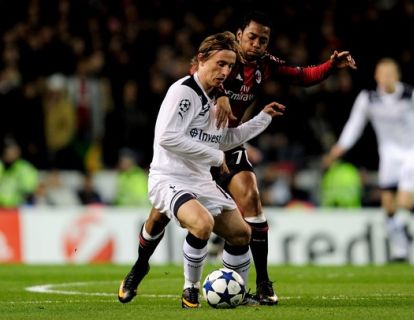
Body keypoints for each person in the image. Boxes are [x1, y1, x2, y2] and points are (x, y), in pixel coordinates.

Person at [119, 10, 356, 306]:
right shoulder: (199, 81)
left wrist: (329, 66)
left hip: (222, 142)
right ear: (240, 35)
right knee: (161, 216)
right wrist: (219, 95)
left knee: (249, 212)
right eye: (252, 37)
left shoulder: (263, 66)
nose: (257, 44)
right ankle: (144, 268)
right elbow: (195, 79)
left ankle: (257, 284)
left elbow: (300, 76)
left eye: (263, 40)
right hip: (189, 157)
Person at [117, 31, 286, 308]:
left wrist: (263, 118)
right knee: (202, 224)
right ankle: (190, 289)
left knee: (242, 233)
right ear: (201, 60)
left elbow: (226, 139)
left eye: (230, 66)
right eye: (220, 64)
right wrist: (214, 156)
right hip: (169, 178)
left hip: (199, 180)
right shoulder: (184, 91)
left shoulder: (216, 101)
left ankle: (237, 293)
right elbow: (168, 137)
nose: (225, 71)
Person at [322, 57, 414, 262]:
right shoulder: (368, 98)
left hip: (413, 152)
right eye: (383, 74)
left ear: (397, 76)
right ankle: (401, 251)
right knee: (389, 206)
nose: (386, 78)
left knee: (405, 202)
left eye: (390, 74)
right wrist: (339, 149)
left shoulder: (410, 95)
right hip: (389, 154)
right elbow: (354, 125)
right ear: (376, 76)